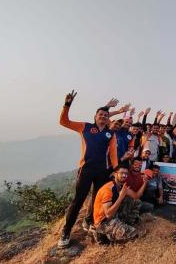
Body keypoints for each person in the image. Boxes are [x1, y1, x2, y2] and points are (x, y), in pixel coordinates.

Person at [58, 90, 121, 249]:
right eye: (100, 114)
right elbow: (64, 122)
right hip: (86, 169)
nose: (103, 116)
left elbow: (113, 154)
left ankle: (89, 221)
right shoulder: (84, 127)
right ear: (95, 116)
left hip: (102, 170)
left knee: (97, 198)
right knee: (78, 200)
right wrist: (67, 104)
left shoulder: (110, 134)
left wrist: (115, 169)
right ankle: (66, 232)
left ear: (108, 119)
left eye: (106, 115)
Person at [93, 164, 145, 243]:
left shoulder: (121, 186)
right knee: (133, 233)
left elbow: (136, 196)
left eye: (126, 174)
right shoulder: (107, 190)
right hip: (103, 221)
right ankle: (102, 234)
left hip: (114, 214)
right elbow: (108, 214)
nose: (124, 175)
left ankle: (126, 224)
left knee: (136, 202)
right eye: (121, 173)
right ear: (114, 174)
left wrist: (145, 183)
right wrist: (121, 197)